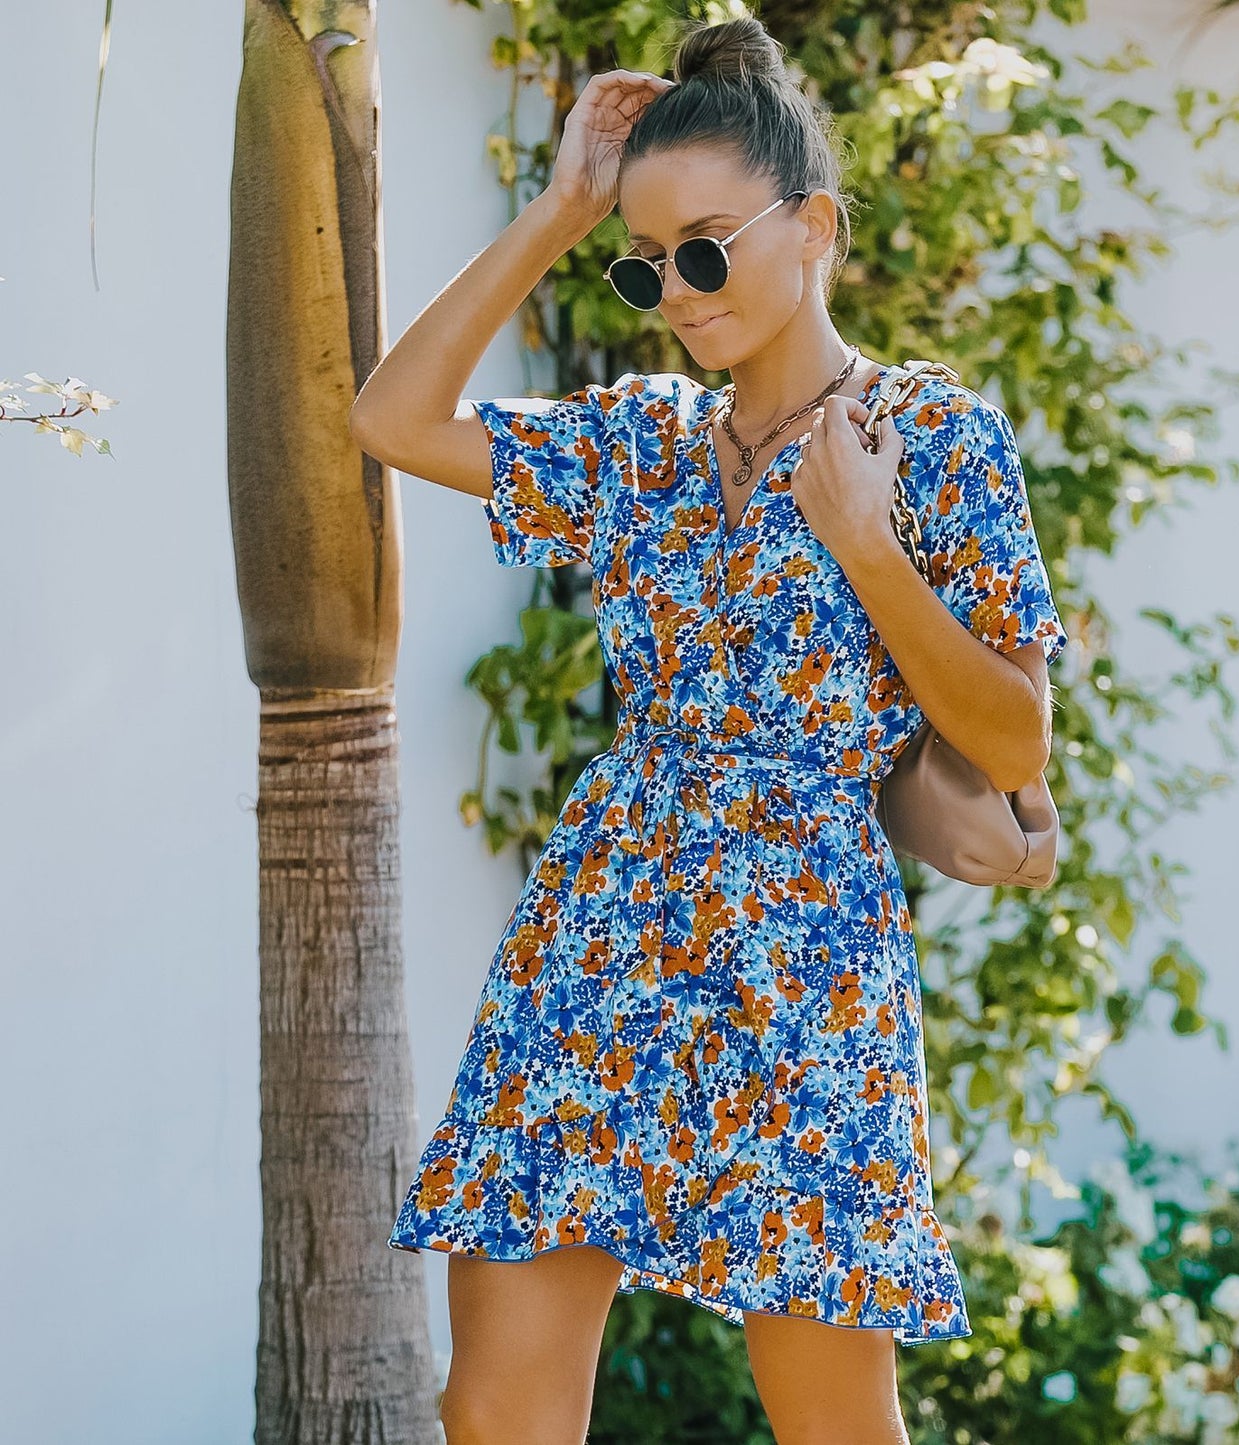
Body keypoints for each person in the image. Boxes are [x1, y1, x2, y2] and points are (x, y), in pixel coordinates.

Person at [350, 14, 1067, 1445]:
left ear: (812, 228)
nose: (672, 291)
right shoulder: (641, 444)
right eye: (642, 262)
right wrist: (561, 211)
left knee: (832, 1424)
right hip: (603, 923)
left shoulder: (928, 435)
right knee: (494, 1409)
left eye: (703, 248)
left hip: (802, 940)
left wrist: (869, 548)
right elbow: (392, 416)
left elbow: (1016, 731)